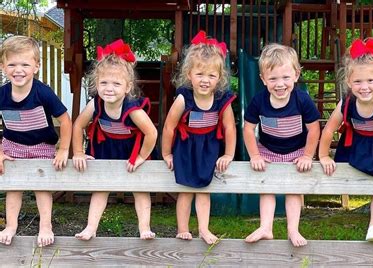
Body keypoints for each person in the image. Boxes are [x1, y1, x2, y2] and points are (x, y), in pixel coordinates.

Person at [318, 38, 373, 242]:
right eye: (357, 81)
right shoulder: (346, 103)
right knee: (346, 174)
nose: (364, 87)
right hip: (357, 145)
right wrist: (323, 155)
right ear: (349, 82)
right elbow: (329, 129)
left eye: (370, 81)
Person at [72, 39, 158, 241]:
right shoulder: (95, 104)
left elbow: (151, 133)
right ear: (96, 83)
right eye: (104, 83)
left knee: (140, 188)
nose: (109, 88)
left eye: (116, 84)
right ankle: (91, 228)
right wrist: (77, 152)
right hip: (106, 147)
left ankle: (144, 227)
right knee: (101, 188)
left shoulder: (133, 108)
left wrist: (141, 157)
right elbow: (78, 125)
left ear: (128, 87)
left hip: (132, 150)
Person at [161, 31, 236, 245]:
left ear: (219, 78)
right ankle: (183, 229)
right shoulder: (184, 98)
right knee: (186, 190)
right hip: (185, 146)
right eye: (200, 74)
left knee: (204, 189)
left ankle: (204, 228)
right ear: (189, 74)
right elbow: (169, 127)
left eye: (211, 76)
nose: (205, 80)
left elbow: (229, 127)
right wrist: (166, 152)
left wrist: (228, 153)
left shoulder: (222, 99)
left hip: (208, 147)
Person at [243, 43, 321, 247]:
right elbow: (248, 129)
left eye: (285, 78)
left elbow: (314, 129)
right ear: (263, 79)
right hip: (268, 151)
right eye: (273, 78)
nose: (280, 84)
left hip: (296, 151)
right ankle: (266, 227)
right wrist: (255, 155)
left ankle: (293, 230)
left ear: (296, 75)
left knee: (293, 189)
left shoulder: (302, 99)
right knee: (267, 186)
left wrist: (307, 155)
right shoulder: (259, 101)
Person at [0, 35, 72, 247]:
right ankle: (11, 225)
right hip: (13, 145)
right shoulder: (2, 94)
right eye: (12, 64)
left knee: (42, 186)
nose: (18, 69)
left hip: (42, 145)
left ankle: (46, 225)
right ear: (3, 67)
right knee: (14, 186)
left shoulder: (43, 93)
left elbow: (65, 120)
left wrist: (63, 149)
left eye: (25, 64)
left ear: (36, 67)